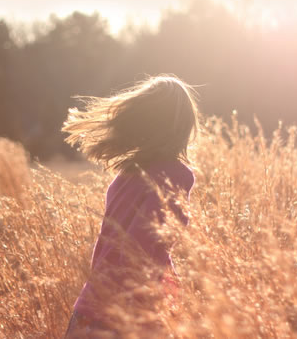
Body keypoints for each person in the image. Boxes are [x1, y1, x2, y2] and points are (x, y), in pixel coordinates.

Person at [62, 75, 199, 338]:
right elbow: (142, 249)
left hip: (89, 309)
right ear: (183, 126)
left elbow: (118, 246)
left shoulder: (125, 175)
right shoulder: (177, 175)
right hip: (126, 318)